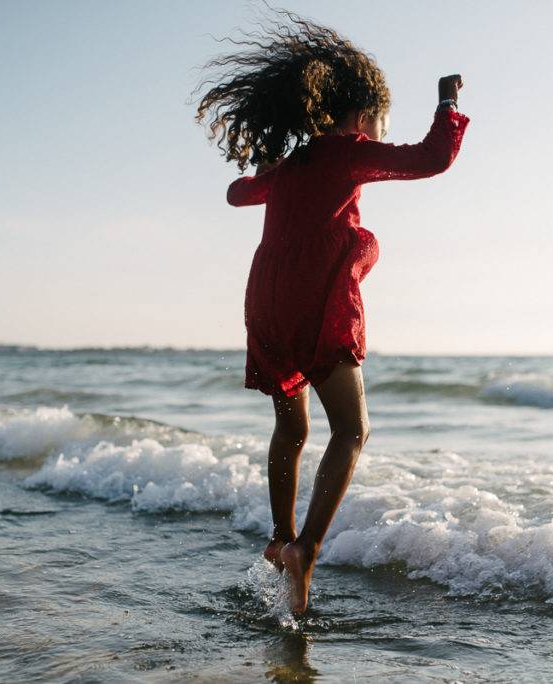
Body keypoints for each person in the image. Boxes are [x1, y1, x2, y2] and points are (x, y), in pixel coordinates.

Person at [194, 8, 469, 614]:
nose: (375, 137)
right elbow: (430, 160)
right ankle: (307, 550)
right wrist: (446, 105)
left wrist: (267, 169)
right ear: (364, 116)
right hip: (314, 298)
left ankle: (279, 537)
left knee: (291, 429)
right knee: (351, 430)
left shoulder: (295, 163)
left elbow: (239, 193)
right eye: (376, 126)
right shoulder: (349, 151)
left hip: (264, 300)